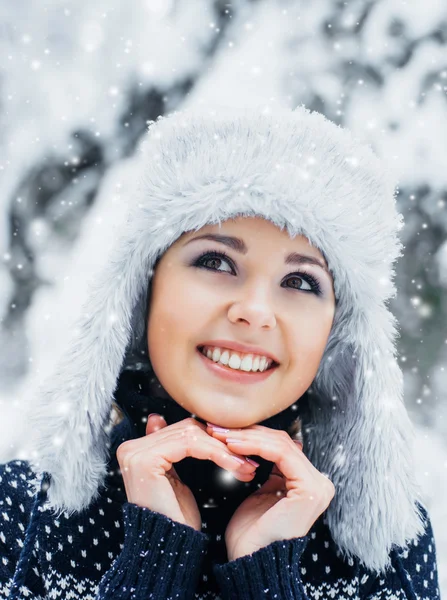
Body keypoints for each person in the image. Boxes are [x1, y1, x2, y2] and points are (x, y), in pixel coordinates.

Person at [0, 105, 441, 600]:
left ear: (337, 336)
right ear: (144, 292)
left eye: (299, 281)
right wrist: (153, 563)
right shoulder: (22, 511)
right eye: (216, 260)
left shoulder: (386, 552)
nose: (255, 311)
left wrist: (270, 579)